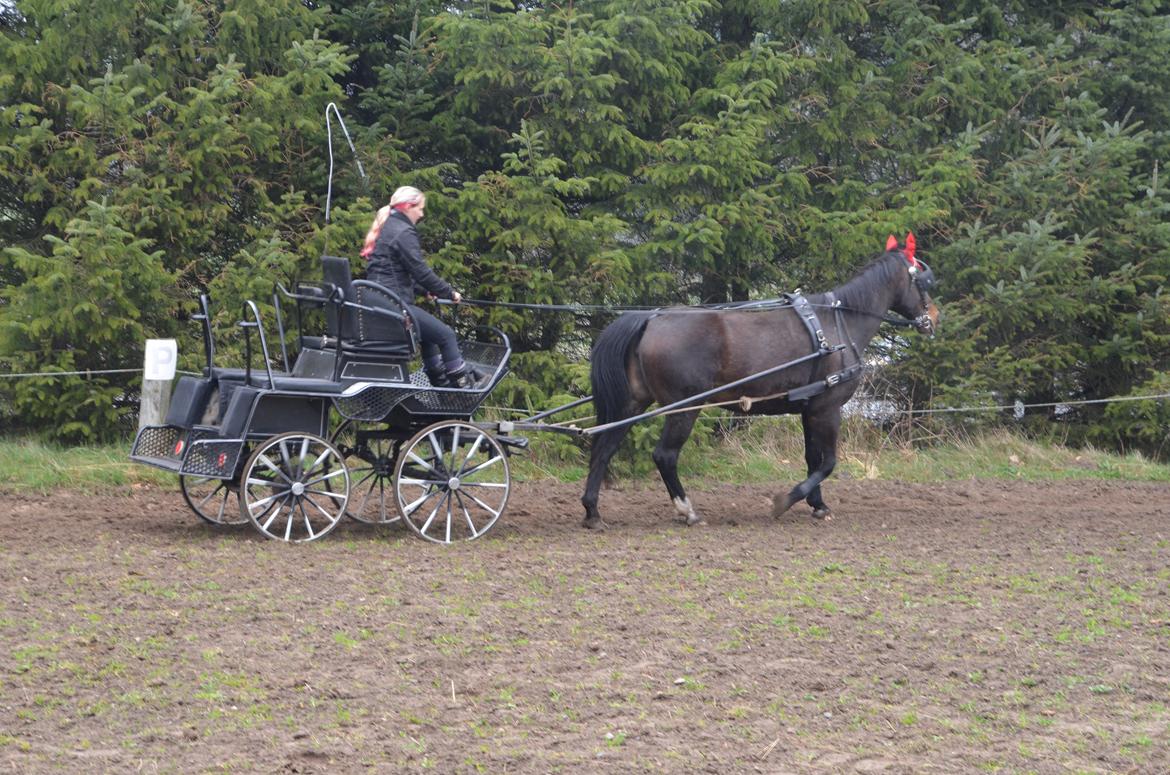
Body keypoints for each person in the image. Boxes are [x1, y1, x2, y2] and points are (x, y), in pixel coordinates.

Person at [360, 186, 483, 388]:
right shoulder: (403, 232)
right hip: (394, 306)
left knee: (429, 336)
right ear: (408, 207)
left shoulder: (389, 227)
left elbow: (395, 272)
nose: (422, 214)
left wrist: (425, 291)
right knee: (446, 335)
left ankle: (439, 382)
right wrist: (449, 292)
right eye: (420, 209)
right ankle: (460, 386)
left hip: (382, 301)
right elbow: (420, 271)